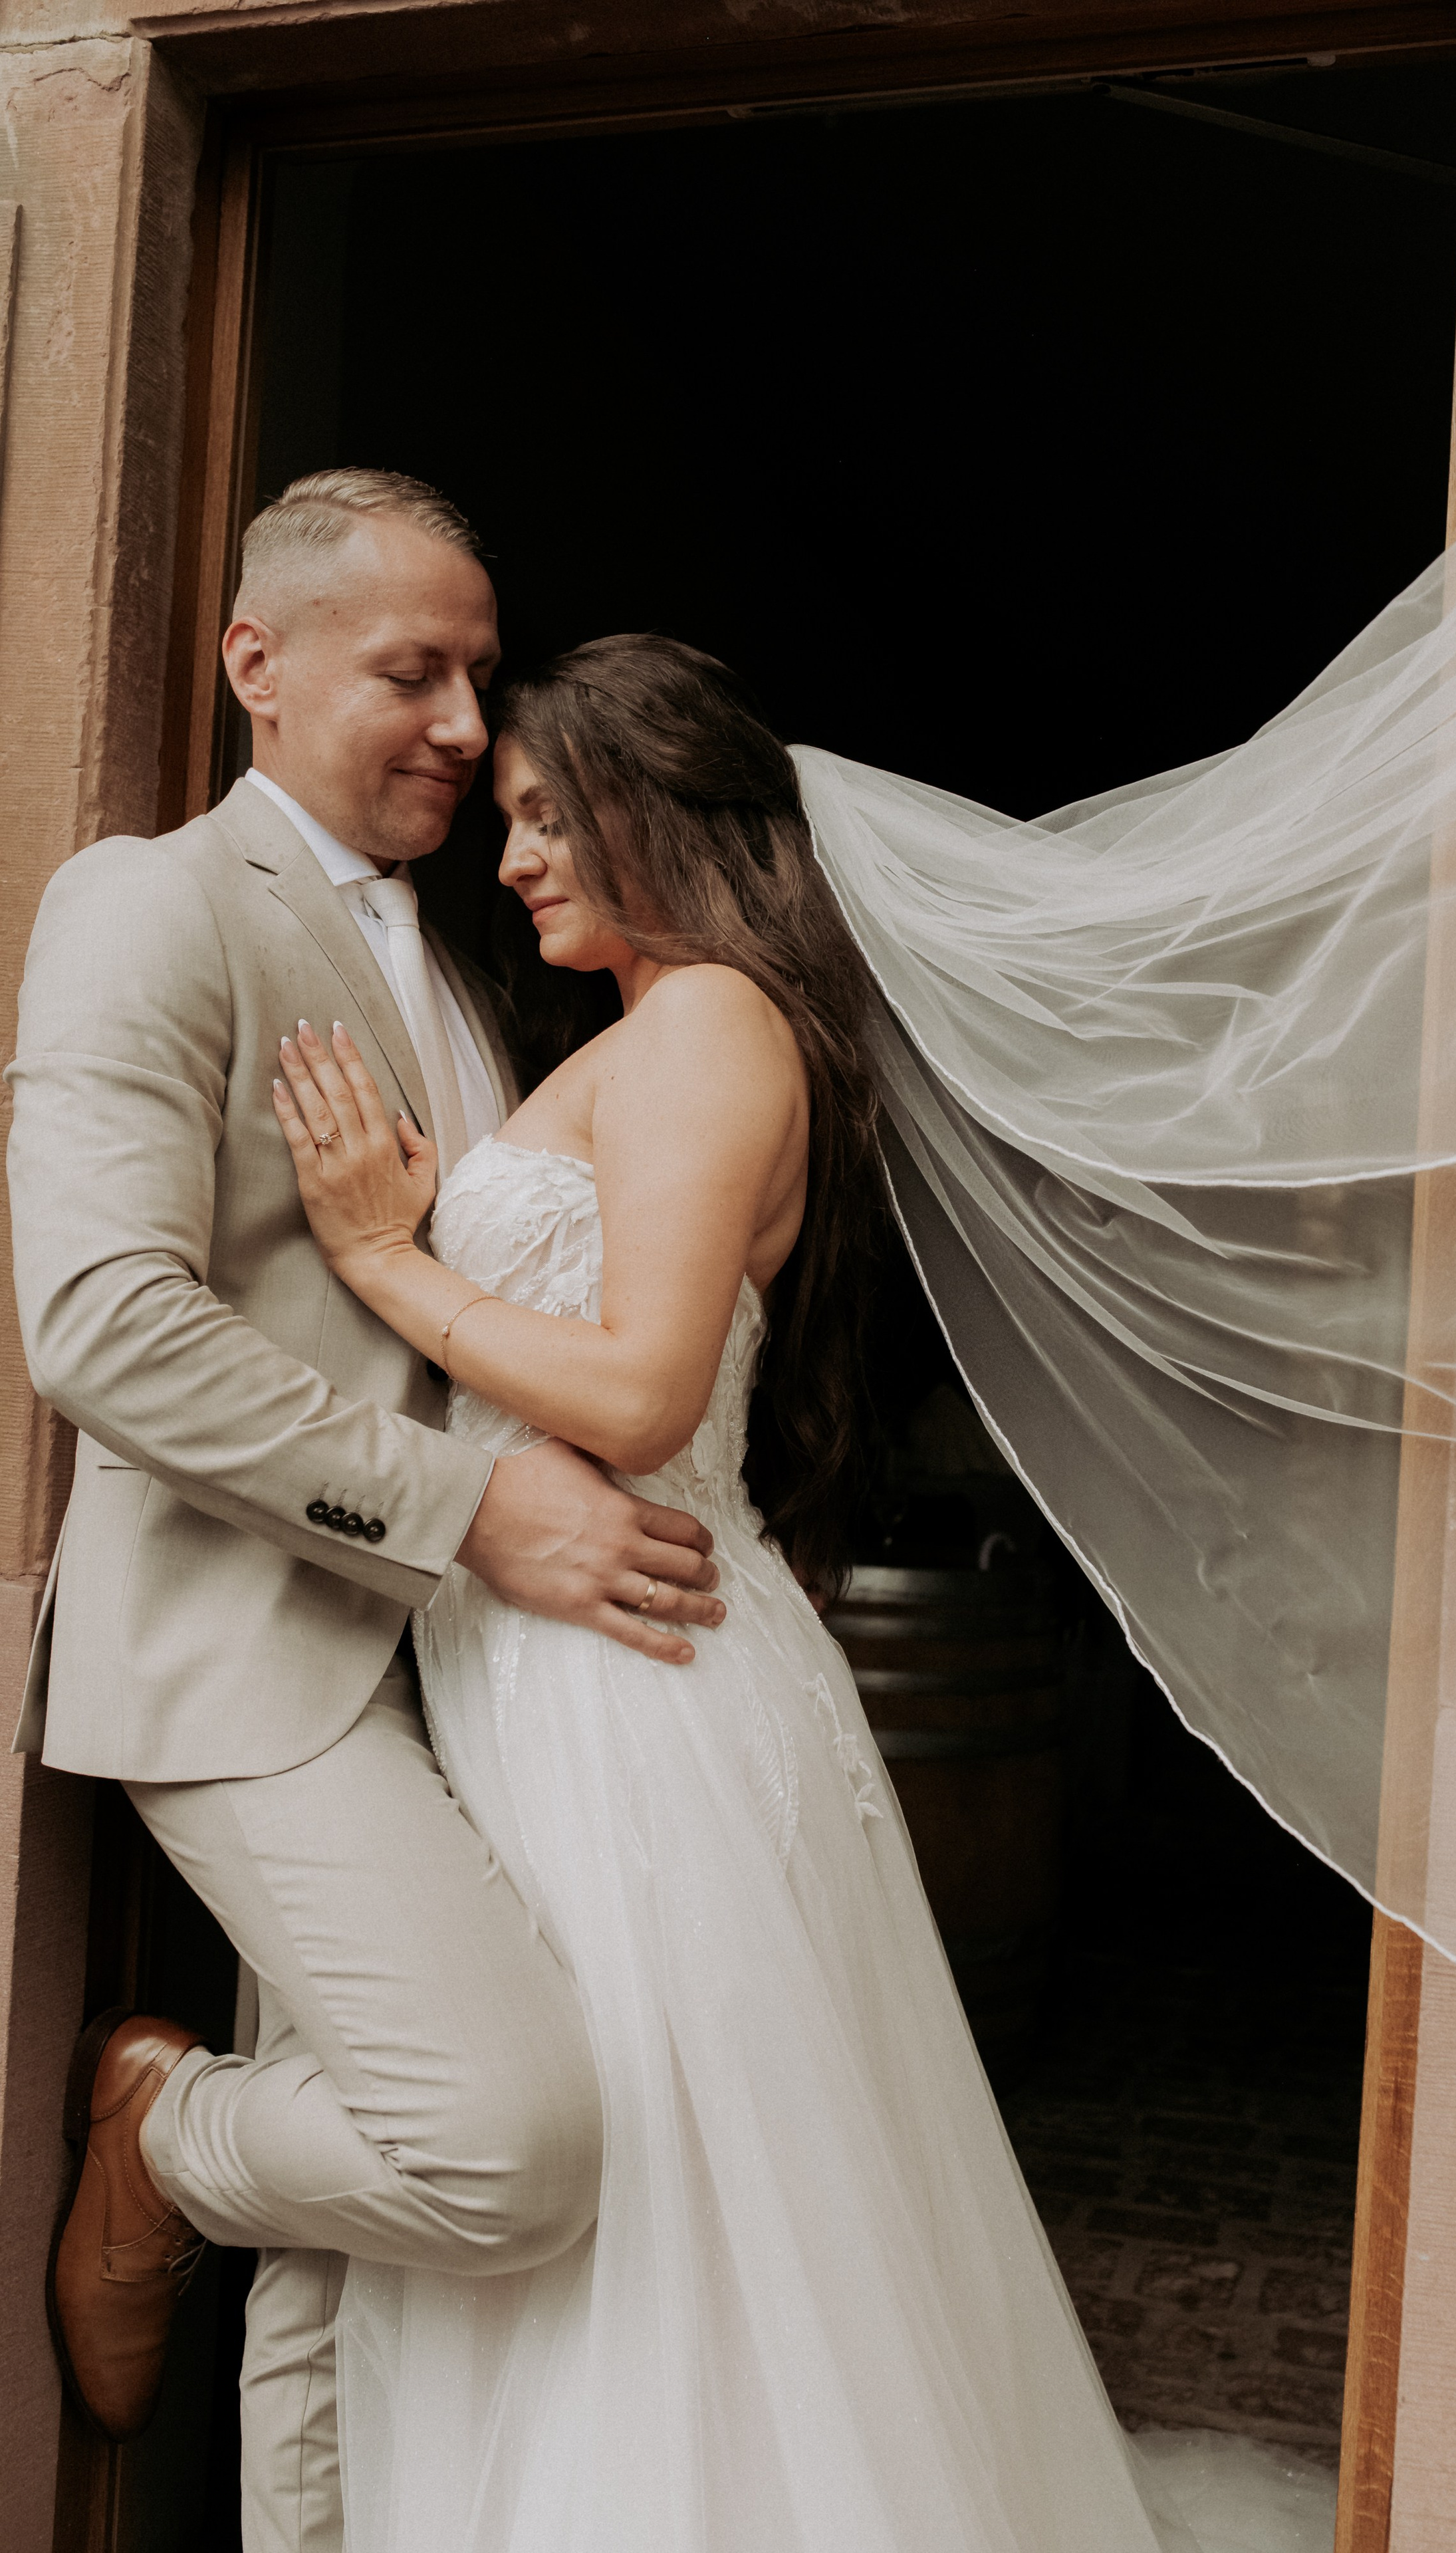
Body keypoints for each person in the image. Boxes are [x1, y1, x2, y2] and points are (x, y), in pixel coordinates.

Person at [267, 632, 1183, 2552]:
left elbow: (642, 1387)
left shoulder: (707, 1029)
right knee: (649, 2184)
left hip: (630, 1678)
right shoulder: (653, 1030)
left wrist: (383, 1259)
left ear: (660, 808)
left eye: (545, 816)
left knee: (660, 2200)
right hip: (578, 1646)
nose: (512, 858)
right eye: (504, 819)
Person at [5, 473, 724, 2553]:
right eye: (413, 669)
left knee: (369, 2243)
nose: (466, 726)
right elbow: (102, 1325)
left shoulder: (474, 966)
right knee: (501, 2148)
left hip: (484, 1682)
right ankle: (166, 2139)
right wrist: (468, 1507)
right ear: (259, 661)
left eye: (478, 678)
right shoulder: (146, 902)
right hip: (252, 1660)